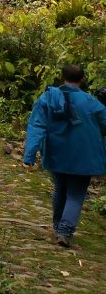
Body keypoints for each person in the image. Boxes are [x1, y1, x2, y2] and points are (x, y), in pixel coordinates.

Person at [23, 64, 106, 247]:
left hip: (57, 154)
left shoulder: (48, 98)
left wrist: (29, 155)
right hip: (84, 157)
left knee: (60, 189)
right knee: (76, 194)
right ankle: (65, 231)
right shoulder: (92, 103)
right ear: (82, 79)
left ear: (62, 77)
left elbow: (37, 126)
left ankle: (57, 225)